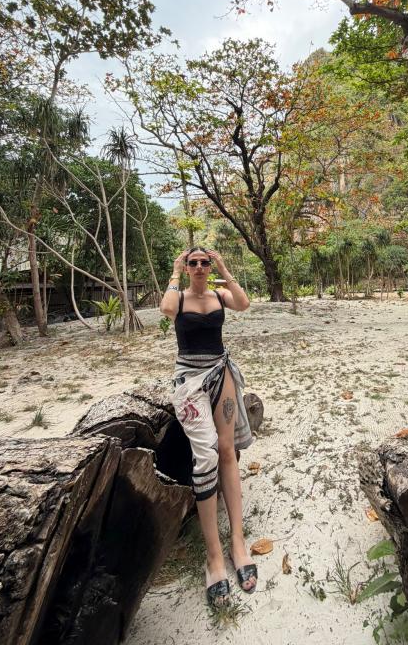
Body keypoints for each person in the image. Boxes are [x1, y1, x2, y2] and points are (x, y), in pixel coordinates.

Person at [160, 246, 257, 607]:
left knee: (227, 452)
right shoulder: (179, 297)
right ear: (186, 267)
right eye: (194, 262)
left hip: (220, 372)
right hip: (190, 380)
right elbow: (166, 309)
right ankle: (214, 557)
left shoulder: (219, 295)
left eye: (204, 262)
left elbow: (243, 303)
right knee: (206, 459)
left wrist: (224, 268)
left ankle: (238, 543)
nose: (200, 267)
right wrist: (175, 270)